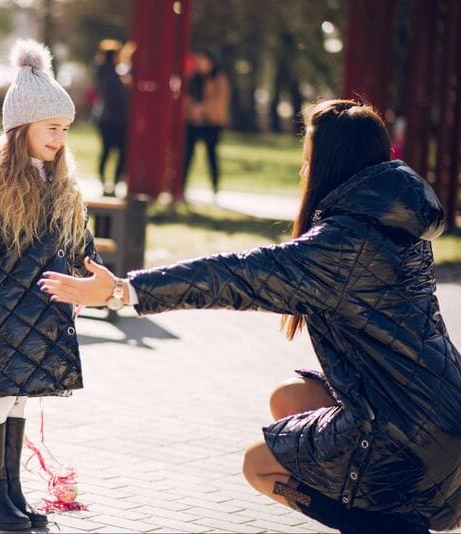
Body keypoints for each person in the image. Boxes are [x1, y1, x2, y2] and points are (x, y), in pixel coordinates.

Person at [39, 100, 461, 532]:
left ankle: (388, 524)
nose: (303, 170)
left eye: (308, 159)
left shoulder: (340, 248)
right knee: (289, 399)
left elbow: (233, 276)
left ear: (330, 165)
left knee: (259, 465)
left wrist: (122, 289)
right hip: (445, 413)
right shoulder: (400, 222)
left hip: (405, 439)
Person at [0, 39, 101, 531]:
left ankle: (9, 490)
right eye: (52, 128)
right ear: (21, 128)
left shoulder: (60, 179)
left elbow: (76, 235)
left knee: (19, 396)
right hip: (1, 302)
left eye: (65, 129)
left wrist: (90, 268)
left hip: (41, 306)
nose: (60, 138)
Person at [182, 51, 230, 198]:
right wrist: (192, 109)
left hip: (211, 123)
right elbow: (185, 97)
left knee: (211, 155)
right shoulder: (192, 78)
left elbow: (221, 100)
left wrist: (203, 109)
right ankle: (182, 187)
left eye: (204, 61)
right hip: (192, 122)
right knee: (187, 155)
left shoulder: (219, 78)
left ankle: (215, 188)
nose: (201, 64)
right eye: (199, 61)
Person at [93, 43, 129, 196]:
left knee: (106, 151)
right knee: (121, 153)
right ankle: (112, 183)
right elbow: (117, 98)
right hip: (116, 120)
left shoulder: (101, 72)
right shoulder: (113, 75)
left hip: (105, 118)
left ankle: (104, 182)